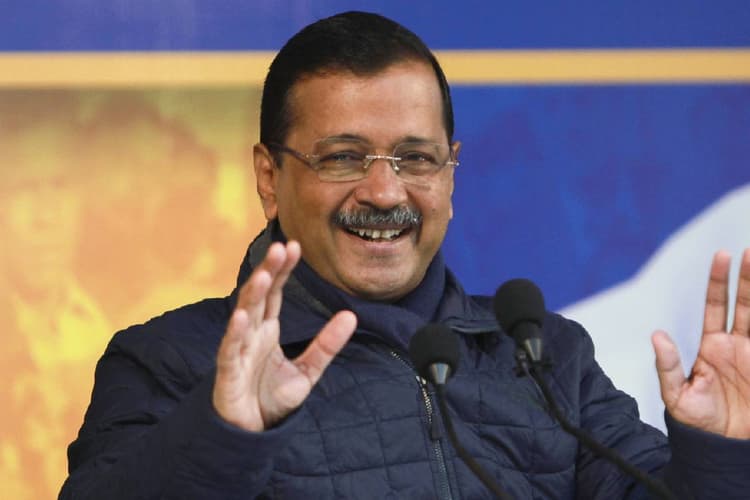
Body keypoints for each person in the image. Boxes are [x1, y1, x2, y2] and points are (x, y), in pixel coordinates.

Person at [60, 11, 750, 499]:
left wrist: (718, 458)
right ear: (270, 178)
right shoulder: (168, 361)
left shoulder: (546, 356)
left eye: (415, 158)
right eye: (343, 157)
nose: (385, 192)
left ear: (451, 175)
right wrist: (222, 436)